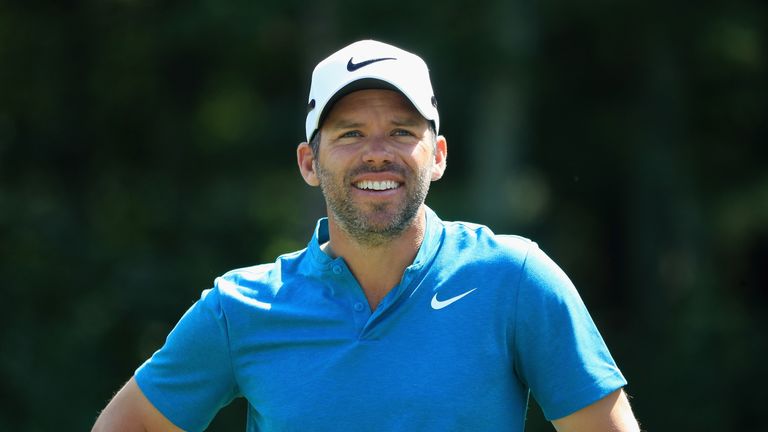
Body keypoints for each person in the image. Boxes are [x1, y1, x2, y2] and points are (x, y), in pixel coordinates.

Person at [93, 40, 640, 432]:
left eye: (402, 131)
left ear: (439, 155)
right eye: (351, 133)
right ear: (310, 162)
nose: (377, 151)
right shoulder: (239, 310)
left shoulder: (514, 279)